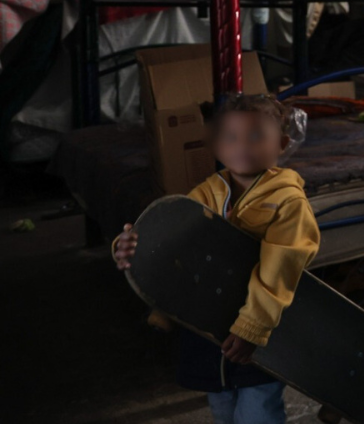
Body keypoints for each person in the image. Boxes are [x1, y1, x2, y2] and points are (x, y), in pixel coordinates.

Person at [113, 94, 320, 424]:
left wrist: (253, 328)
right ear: (216, 146)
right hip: (209, 323)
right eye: (230, 137)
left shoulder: (289, 203)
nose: (242, 145)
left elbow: (281, 268)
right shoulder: (208, 192)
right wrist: (129, 247)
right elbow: (172, 238)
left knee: (258, 412)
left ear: (281, 143)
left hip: (261, 326)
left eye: (255, 135)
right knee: (222, 406)